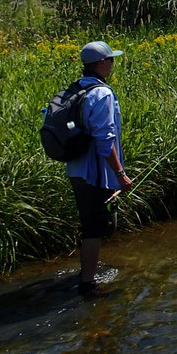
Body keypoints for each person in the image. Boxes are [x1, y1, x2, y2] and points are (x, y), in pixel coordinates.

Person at [68, 41, 134, 297]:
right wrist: (121, 174)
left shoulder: (76, 89)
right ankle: (88, 283)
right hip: (95, 175)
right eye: (111, 60)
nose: (112, 65)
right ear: (102, 63)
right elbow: (105, 142)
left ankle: (86, 270)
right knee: (95, 228)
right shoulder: (102, 94)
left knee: (90, 224)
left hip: (76, 170)